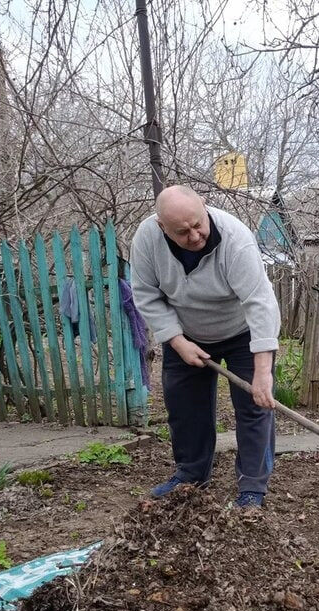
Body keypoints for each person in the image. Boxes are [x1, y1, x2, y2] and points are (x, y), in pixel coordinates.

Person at [130, 185, 280, 508]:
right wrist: (177, 340)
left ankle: (252, 487)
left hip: (241, 332)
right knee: (185, 408)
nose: (195, 236)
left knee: (255, 408)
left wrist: (262, 371)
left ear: (205, 206)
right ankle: (191, 475)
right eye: (182, 232)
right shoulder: (147, 239)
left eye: (198, 224)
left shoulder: (235, 240)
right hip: (186, 333)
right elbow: (145, 294)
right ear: (162, 227)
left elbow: (260, 303)